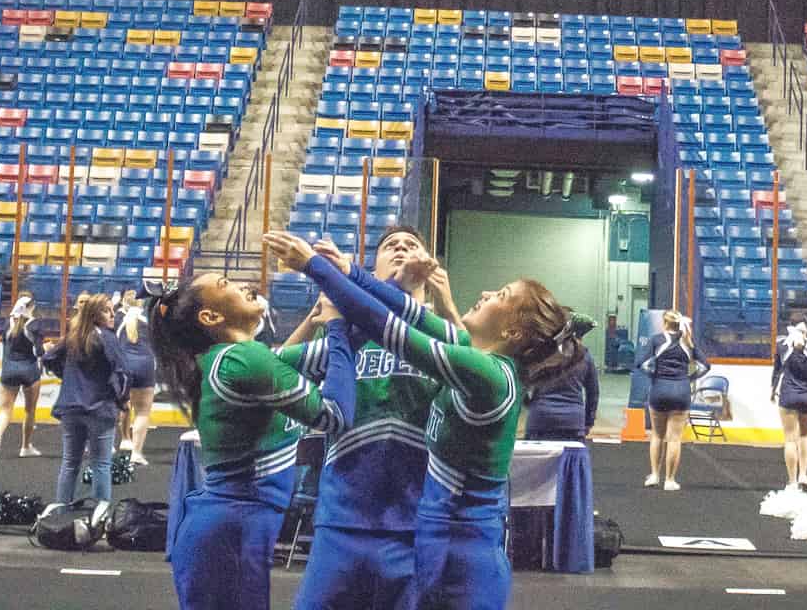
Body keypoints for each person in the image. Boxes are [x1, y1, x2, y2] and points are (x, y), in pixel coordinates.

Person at [264, 228, 588, 610]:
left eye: (499, 295)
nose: (484, 293)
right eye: (390, 246)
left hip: (446, 542)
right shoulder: (463, 350)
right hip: (375, 530)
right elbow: (278, 367)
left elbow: (395, 329)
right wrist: (349, 272)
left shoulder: (484, 370)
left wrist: (316, 268)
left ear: (513, 330)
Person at [150, 272, 355, 610]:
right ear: (211, 317)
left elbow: (284, 363)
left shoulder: (233, 358)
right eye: (225, 284)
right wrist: (335, 326)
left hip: (228, 527)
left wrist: (342, 315)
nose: (243, 285)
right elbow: (334, 416)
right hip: (232, 529)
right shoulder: (242, 361)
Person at [283, 224, 462, 610]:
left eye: (411, 245)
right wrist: (314, 318)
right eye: (390, 246)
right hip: (341, 517)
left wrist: (448, 306)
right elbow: (277, 373)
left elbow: (481, 378)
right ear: (372, 266)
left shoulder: (439, 333)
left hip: (416, 521)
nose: (400, 248)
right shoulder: (342, 328)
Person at [42, 292, 128, 512]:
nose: (112, 315)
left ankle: (61, 515)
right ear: (95, 314)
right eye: (107, 310)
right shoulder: (108, 338)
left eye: (112, 310)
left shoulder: (73, 336)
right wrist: (120, 399)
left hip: (70, 407)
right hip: (99, 408)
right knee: (101, 464)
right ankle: (99, 518)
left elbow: (48, 358)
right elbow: (121, 373)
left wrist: (67, 378)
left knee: (70, 463)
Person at [640, 310, 710, 492]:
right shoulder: (687, 341)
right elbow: (705, 366)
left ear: (664, 323)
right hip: (681, 391)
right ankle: (670, 480)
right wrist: (690, 378)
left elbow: (641, 363)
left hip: (659, 390)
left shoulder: (656, 340)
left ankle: (655, 475)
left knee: (657, 435)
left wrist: (654, 375)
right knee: (674, 439)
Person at [525, 314, 601, 443]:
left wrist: (531, 405)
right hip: (572, 422)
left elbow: (521, 382)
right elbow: (593, 393)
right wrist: (588, 422)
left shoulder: (539, 353)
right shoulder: (585, 355)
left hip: (540, 419)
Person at [0, 293, 44, 458]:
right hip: (29, 371)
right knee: (29, 411)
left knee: (5, 409)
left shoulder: (8, 323)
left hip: (9, 370)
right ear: (31, 307)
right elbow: (39, 351)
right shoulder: (35, 325)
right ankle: (25, 447)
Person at [771, 312, 807, 492]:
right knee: (805, 436)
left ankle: (792, 481)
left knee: (790, 439)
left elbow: (777, 371)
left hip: (788, 395)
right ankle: (803, 475)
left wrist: (771, 390)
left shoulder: (782, 346)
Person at [115, 290, 156, 463]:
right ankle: (137, 453)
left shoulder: (117, 320)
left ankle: (120, 441)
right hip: (145, 365)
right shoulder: (149, 322)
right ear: (141, 305)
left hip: (125, 365)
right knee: (143, 412)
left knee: (122, 405)